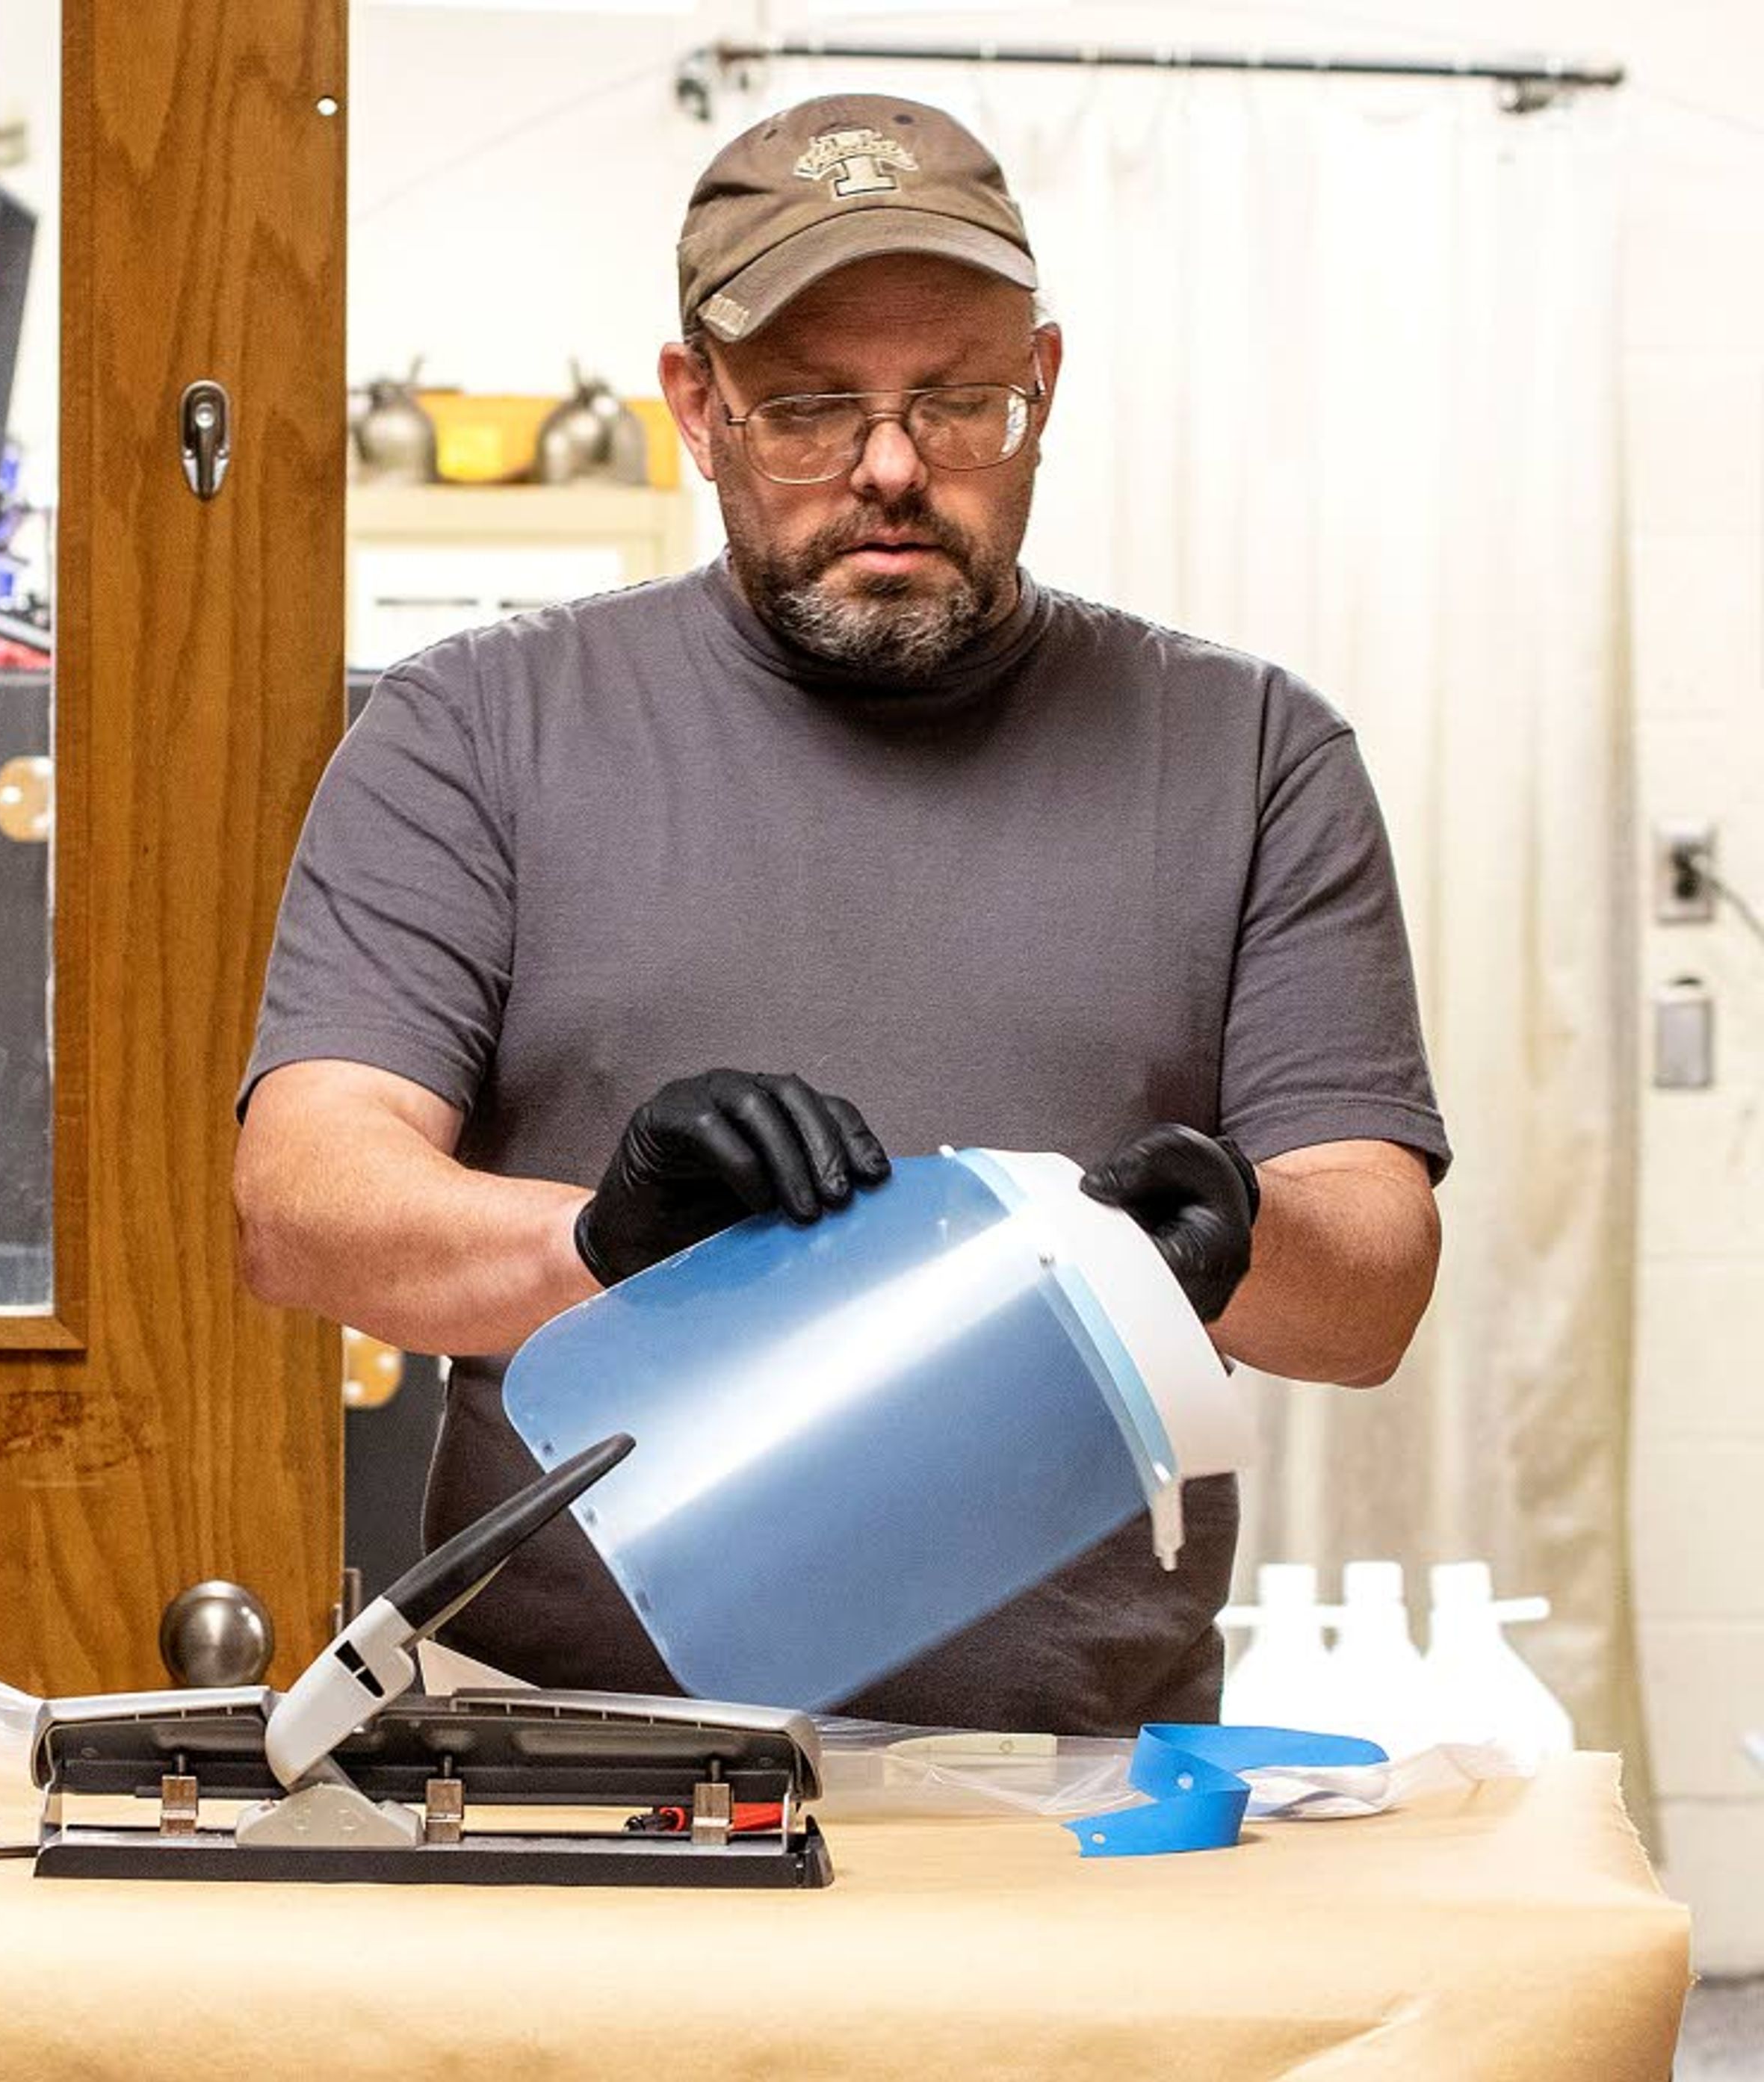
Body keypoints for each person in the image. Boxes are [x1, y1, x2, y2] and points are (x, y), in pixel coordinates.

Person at [232, 93, 1447, 1735]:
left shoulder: (1250, 753)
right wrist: (593, 1244)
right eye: (811, 407)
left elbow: (1370, 1289)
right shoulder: (477, 727)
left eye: (956, 402)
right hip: (565, 1768)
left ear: (1045, 388)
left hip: (1079, 1792)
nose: (890, 468)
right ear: (697, 404)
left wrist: (1237, 1233)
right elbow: (301, 1199)